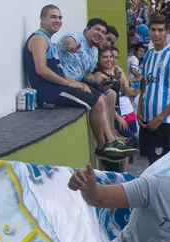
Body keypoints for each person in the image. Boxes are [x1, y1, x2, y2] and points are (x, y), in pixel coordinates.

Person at [25, 7, 131, 161]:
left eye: (60, 18)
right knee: (97, 101)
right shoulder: (39, 38)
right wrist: (71, 84)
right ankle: (104, 147)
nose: (58, 21)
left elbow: (60, 71)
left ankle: (110, 142)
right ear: (42, 19)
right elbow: (42, 70)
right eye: (53, 17)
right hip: (51, 92)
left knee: (104, 96)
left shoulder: (47, 40)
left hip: (59, 87)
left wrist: (78, 83)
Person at [138, 14, 170, 165]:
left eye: (160, 30)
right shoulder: (148, 55)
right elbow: (144, 84)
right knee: (150, 160)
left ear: (167, 32)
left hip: (163, 121)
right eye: (153, 30)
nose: (156, 34)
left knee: (160, 163)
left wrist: (159, 118)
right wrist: (139, 109)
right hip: (146, 118)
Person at [94, 47, 139, 172]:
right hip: (109, 116)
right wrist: (117, 118)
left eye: (111, 57)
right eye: (105, 57)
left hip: (116, 111)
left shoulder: (116, 71)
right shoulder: (98, 74)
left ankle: (123, 174)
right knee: (110, 157)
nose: (109, 59)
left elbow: (123, 91)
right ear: (98, 59)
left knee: (127, 145)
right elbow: (106, 98)